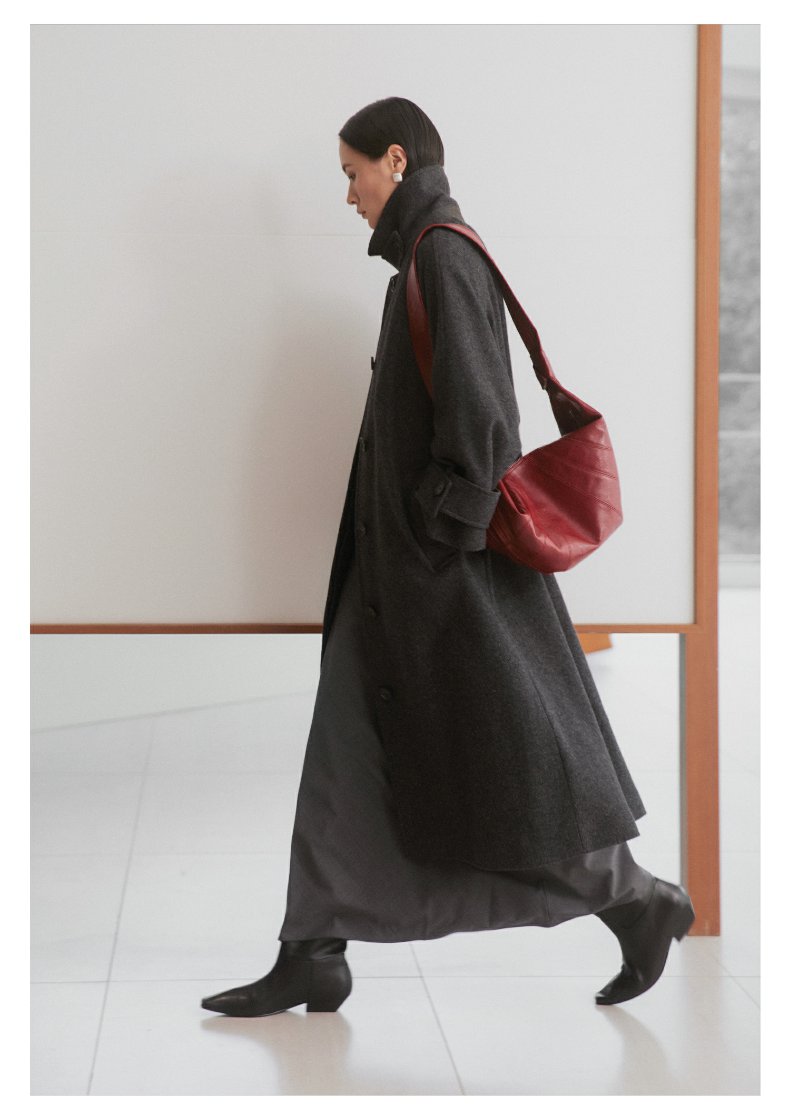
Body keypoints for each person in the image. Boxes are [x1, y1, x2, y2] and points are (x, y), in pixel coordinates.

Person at [202, 97, 694, 1019]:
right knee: (348, 751)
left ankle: (636, 900)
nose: (348, 193)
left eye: (352, 173)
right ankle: (312, 950)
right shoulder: (424, 258)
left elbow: (484, 423)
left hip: (440, 579)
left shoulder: (442, 255)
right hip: (398, 576)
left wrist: (439, 534)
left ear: (396, 160)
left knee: (512, 770)